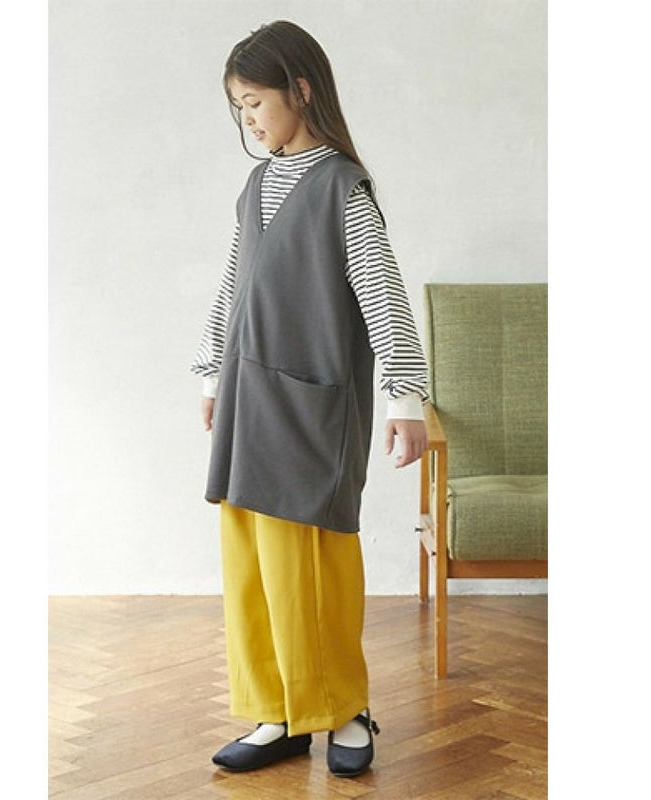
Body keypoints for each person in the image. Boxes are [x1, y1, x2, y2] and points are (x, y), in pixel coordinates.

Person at [191, 20, 429, 778]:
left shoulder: (342, 188)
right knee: (253, 564)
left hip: (311, 408)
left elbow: (383, 293)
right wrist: (212, 373)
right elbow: (235, 284)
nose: (249, 120)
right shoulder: (257, 185)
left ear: (300, 90)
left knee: (312, 567)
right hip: (249, 399)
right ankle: (280, 712)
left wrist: (406, 397)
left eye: (256, 102)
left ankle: (345, 708)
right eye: (238, 108)